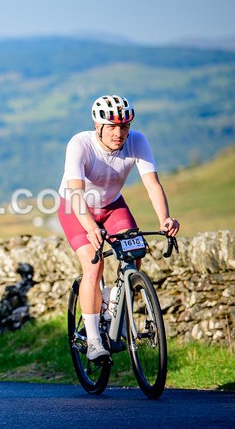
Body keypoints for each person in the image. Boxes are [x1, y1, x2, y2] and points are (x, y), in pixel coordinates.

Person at [58, 95, 180, 361]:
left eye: (124, 126)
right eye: (112, 127)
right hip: (76, 208)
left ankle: (113, 303)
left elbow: (152, 184)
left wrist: (165, 219)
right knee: (94, 266)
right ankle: (92, 341)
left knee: (135, 254)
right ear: (97, 126)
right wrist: (90, 227)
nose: (119, 133)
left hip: (113, 206)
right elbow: (76, 194)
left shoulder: (137, 141)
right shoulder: (80, 144)